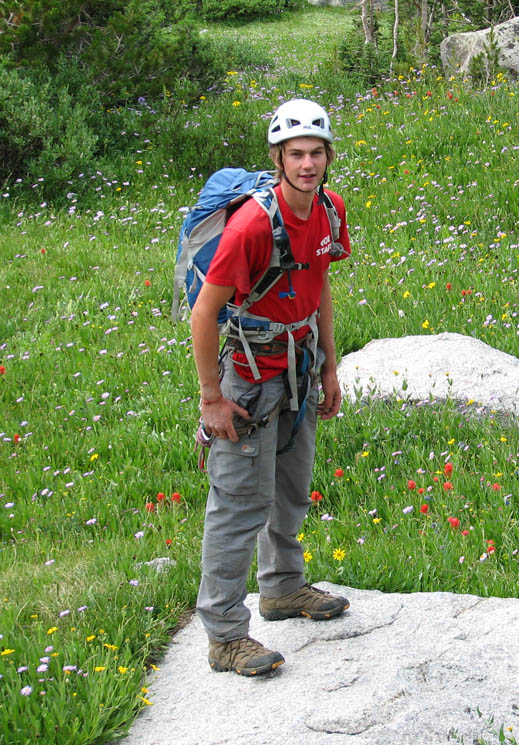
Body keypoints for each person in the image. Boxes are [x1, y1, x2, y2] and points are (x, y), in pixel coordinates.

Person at [191, 98, 351, 677]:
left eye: (315, 153)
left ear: (328, 157)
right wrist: (212, 400)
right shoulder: (254, 224)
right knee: (238, 503)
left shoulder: (330, 211)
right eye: (296, 154)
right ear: (278, 159)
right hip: (251, 379)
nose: (307, 164)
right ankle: (226, 636)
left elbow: (319, 282)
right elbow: (203, 314)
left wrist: (330, 366)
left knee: (291, 486)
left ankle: (282, 589)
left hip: (300, 368)